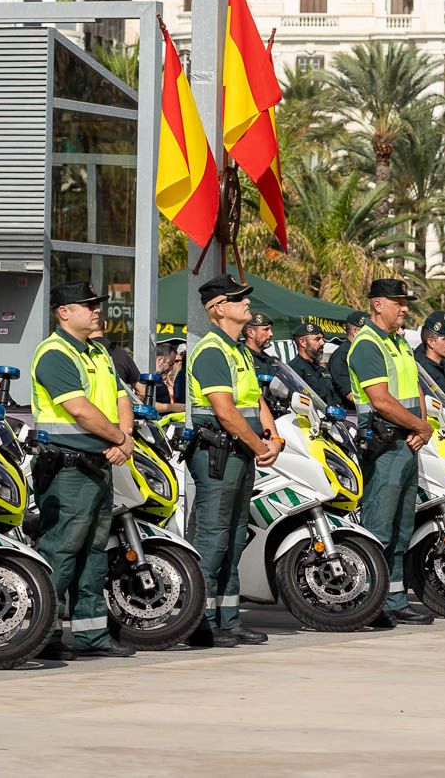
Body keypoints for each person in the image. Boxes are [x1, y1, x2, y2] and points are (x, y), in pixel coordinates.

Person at [30, 278, 136, 659]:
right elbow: (78, 409)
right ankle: (45, 636)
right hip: (68, 468)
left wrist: (124, 436)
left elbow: (123, 397)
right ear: (63, 312)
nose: (96, 311)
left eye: (96, 305)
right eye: (88, 305)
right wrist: (119, 440)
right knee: (61, 550)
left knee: (94, 551)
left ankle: (92, 634)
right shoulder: (55, 352)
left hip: (98, 464)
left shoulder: (98, 352)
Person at [185, 274, 283, 646]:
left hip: (239, 454)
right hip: (219, 454)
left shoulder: (238, 349)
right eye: (238, 298)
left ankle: (228, 619)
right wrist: (261, 447)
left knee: (234, 538)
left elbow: (255, 401)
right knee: (212, 541)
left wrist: (273, 438)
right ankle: (201, 622)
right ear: (219, 309)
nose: (247, 303)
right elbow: (225, 412)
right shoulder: (212, 350)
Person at [347, 277, 435, 624]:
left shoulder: (398, 344)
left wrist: (422, 428)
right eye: (398, 302)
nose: (404, 308)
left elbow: (415, 391)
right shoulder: (368, 344)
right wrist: (420, 427)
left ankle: (394, 599)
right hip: (385, 446)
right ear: (377, 304)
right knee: (379, 529)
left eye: (405, 302)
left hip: (408, 442)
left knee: (400, 529)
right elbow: (380, 400)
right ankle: (371, 602)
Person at [289, 321, 340, 407]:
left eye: (322, 339)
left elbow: (333, 396)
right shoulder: (295, 368)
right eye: (317, 339)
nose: (323, 343)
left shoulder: (321, 368)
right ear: (303, 342)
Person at [145, 336, 187, 414]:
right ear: (160, 360)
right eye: (170, 364)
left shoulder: (158, 378)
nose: (171, 368)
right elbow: (145, 404)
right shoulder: (147, 378)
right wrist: (172, 407)